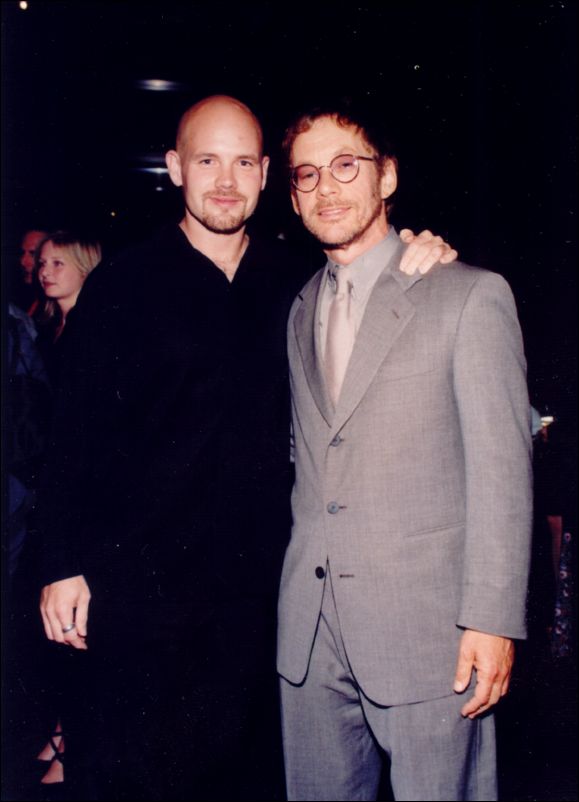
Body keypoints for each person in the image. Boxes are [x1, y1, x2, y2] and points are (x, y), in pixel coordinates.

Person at [36, 95, 456, 801]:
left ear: (265, 175)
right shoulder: (121, 287)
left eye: (242, 163)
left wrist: (423, 249)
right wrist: (62, 564)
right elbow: (69, 436)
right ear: (175, 168)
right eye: (206, 160)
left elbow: (374, 281)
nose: (224, 180)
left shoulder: (299, 283)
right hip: (136, 600)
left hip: (260, 606)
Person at [277, 102, 533, 801]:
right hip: (309, 635)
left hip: (429, 637)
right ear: (293, 195)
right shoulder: (298, 306)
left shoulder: (466, 295)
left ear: (386, 177)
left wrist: (491, 619)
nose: (326, 188)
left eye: (346, 166)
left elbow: (502, 474)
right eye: (307, 174)